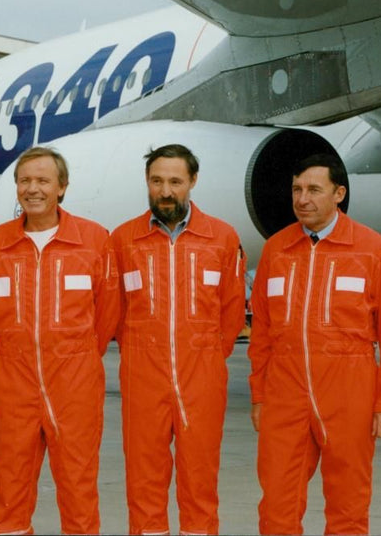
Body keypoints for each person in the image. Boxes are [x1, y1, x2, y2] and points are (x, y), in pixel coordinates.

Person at [248, 153, 381, 534]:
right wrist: (259, 395)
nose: (302, 199)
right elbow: (261, 334)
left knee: (348, 506)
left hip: (349, 391)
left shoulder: (372, 250)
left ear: (339, 193)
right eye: (297, 190)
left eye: (314, 190)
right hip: (285, 395)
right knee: (276, 504)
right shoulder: (276, 250)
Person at [0, 146, 120, 534]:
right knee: (11, 490)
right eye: (24, 181)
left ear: (62, 187)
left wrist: (73, 356)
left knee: (77, 488)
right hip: (14, 383)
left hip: (75, 383)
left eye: (43, 180)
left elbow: (107, 313)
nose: (33, 189)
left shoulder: (93, 240)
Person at [110, 144, 247, 534]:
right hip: (142, 378)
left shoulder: (221, 238)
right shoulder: (123, 240)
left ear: (192, 182)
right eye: (156, 181)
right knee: (144, 481)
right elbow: (112, 311)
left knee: (200, 480)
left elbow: (232, 312)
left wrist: (201, 355)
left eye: (175, 181)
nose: (165, 191)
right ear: (147, 183)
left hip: (201, 377)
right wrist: (141, 351)